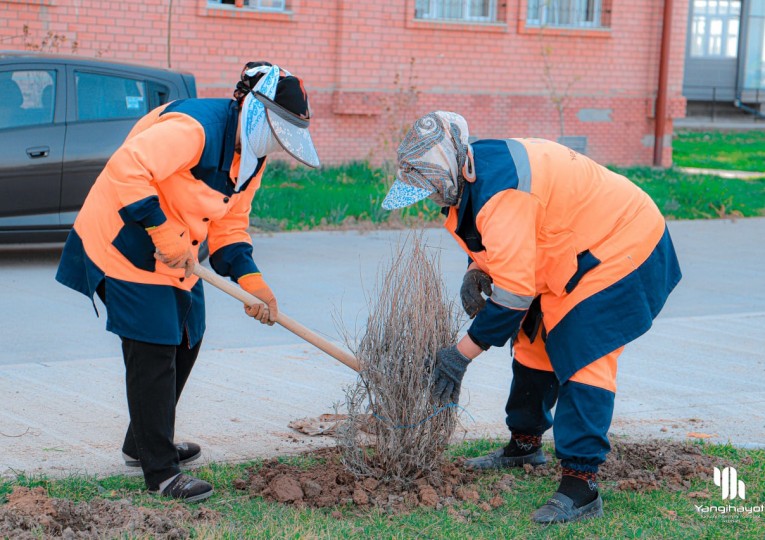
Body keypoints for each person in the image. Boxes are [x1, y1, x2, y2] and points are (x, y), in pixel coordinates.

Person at [381, 112, 681, 524]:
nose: (432, 198)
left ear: (450, 169)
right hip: (573, 247)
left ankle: (581, 485)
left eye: (432, 188)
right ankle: (524, 444)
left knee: (583, 353)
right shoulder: (472, 169)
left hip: (622, 244)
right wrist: (476, 269)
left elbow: (514, 294)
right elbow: (501, 239)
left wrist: (459, 355)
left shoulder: (502, 191)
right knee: (534, 339)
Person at [55, 62, 320, 502]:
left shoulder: (251, 160)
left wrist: (253, 282)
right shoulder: (193, 128)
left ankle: (142, 441)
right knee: (153, 345)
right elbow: (128, 167)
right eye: (278, 128)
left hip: (178, 250)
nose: (280, 141)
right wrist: (159, 229)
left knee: (188, 337)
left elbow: (230, 226)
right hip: (124, 240)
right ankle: (160, 472)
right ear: (251, 108)